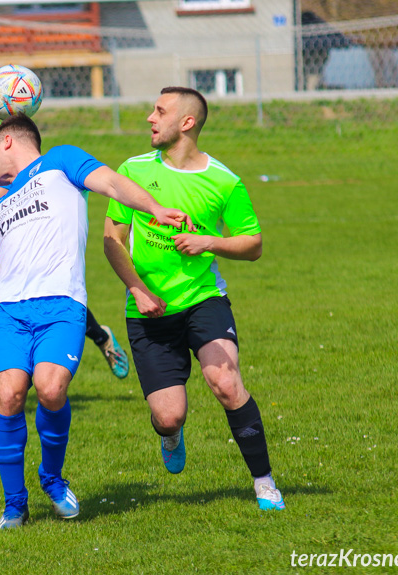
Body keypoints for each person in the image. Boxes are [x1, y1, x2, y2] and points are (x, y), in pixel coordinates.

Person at [0, 114, 191, 529]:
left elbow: (113, 183)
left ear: (7, 142)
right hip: (7, 310)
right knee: (7, 398)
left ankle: (52, 480)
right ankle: (14, 504)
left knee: (50, 387)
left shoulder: (61, 161)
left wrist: (153, 207)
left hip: (61, 304)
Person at [103, 87, 285, 511]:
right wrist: (136, 287)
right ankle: (169, 435)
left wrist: (209, 242)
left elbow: (253, 243)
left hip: (204, 299)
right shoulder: (131, 170)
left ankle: (264, 483)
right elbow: (112, 239)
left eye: (159, 111)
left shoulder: (224, 180)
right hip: (148, 309)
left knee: (225, 382)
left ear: (186, 123)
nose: (150, 117)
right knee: (169, 416)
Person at [0, 186, 130, 378]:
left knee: (46, 293)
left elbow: (0, 195)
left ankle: (100, 338)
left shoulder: (14, 164)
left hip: (15, 241)